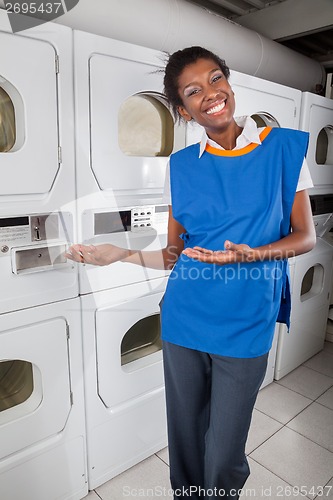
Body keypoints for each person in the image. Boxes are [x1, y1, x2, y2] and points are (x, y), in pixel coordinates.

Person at [66, 46, 316, 499]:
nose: (211, 94)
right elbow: (173, 254)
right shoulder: (181, 166)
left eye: (216, 78)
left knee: (224, 444)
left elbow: (305, 238)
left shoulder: (283, 149)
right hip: (184, 315)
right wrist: (116, 255)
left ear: (229, 84)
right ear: (184, 109)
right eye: (194, 90)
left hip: (245, 319)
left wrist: (250, 255)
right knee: (184, 434)